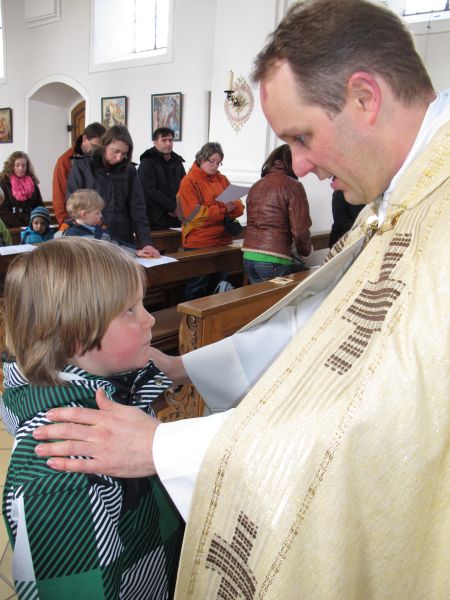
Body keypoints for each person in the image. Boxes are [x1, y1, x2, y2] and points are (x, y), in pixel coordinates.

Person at [33, 1, 449, 598]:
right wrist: (188, 366)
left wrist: (164, 447)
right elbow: (324, 326)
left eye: (301, 137)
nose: (299, 165)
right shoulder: (406, 194)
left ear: (365, 98)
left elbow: (385, 421)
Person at [1, 238, 183, 599]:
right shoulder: (62, 474)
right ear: (74, 337)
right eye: (129, 310)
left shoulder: (113, 393)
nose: (149, 319)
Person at [67, 125, 160, 257]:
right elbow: (74, 204)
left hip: (122, 238)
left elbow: (138, 209)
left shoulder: (129, 171)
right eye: (115, 151)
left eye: (124, 154)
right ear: (104, 145)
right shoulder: (84, 166)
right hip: (90, 239)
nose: (119, 157)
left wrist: (146, 243)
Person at [177, 142, 244, 299]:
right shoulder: (189, 181)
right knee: (197, 286)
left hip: (222, 240)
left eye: (218, 162)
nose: (215, 166)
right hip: (199, 241)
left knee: (219, 285)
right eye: (211, 161)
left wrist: (230, 208)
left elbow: (239, 207)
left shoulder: (222, 179)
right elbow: (193, 214)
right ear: (202, 159)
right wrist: (223, 210)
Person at [243, 144, 312, 283]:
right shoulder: (293, 186)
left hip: (249, 256)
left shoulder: (257, 185)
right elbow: (299, 230)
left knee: (260, 297)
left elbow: (251, 220)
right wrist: (305, 251)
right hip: (274, 259)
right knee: (281, 297)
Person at [63, 188, 159, 258]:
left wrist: (136, 252)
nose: (101, 215)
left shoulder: (100, 230)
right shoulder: (71, 237)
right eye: (97, 213)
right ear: (84, 214)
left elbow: (115, 246)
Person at [52, 122, 105, 228]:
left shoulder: (100, 160)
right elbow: (60, 194)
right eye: (94, 146)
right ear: (85, 139)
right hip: (74, 221)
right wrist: (64, 223)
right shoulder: (65, 161)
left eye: (100, 148)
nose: (96, 151)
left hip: (96, 220)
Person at [138, 127, 186, 229]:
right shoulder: (147, 162)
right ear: (155, 142)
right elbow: (150, 191)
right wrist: (173, 207)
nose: (168, 143)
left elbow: (185, 186)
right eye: (164, 140)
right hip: (155, 218)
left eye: (170, 140)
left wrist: (181, 207)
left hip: (177, 218)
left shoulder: (177, 162)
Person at [0, 151, 43, 228]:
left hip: (32, 225)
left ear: (27, 167)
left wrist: (34, 224)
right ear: (11, 166)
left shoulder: (32, 182)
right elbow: (3, 211)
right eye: (17, 165)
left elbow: (39, 205)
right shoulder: (3, 183)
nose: (21, 168)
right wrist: (21, 227)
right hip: (11, 227)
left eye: (24, 165)